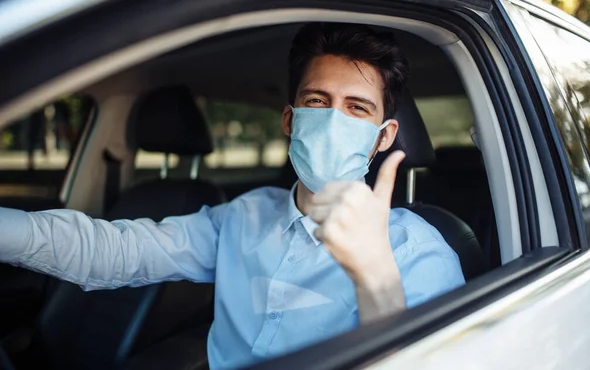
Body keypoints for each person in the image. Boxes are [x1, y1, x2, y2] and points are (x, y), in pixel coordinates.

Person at [0, 23, 465, 369]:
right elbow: (117, 250)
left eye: (357, 108)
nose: (332, 121)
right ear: (290, 121)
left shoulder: (419, 253)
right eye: (317, 102)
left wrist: (374, 279)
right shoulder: (242, 215)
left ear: (384, 138)